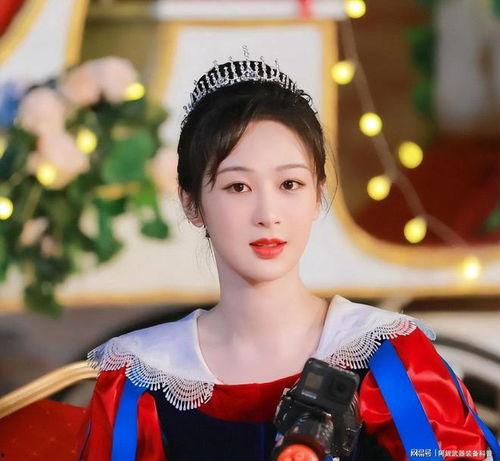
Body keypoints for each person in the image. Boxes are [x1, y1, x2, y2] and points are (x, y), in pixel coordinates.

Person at [78, 47, 496, 461]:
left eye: (289, 184)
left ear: (317, 194)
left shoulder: (389, 357)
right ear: (192, 204)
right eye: (238, 187)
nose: (268, 214)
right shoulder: (142, 378)